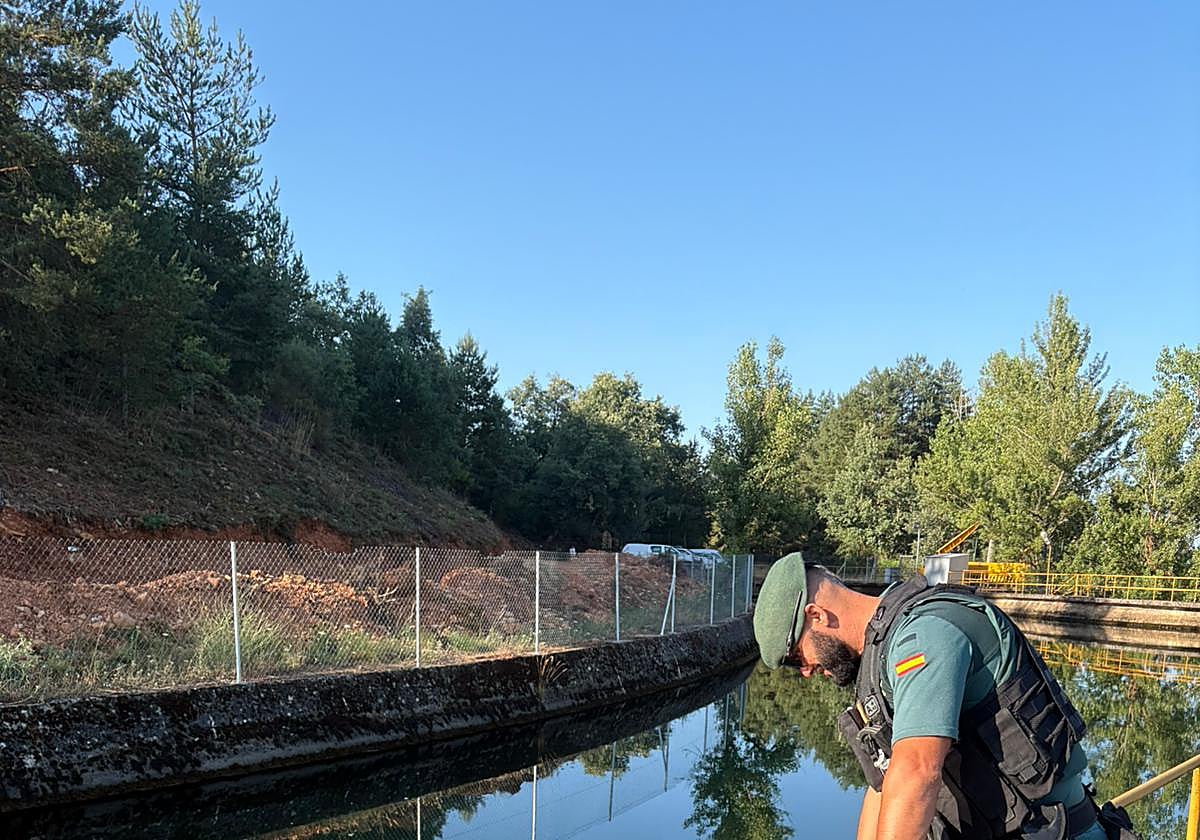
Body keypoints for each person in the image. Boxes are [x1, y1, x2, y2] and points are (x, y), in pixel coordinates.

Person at [752, 552, 1136, 840]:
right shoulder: (877, 656)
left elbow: (916, 772)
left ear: (817, 615)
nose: (804, 670)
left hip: (1055, 830)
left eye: (795, 657)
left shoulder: (923, 636)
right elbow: (884, 784)